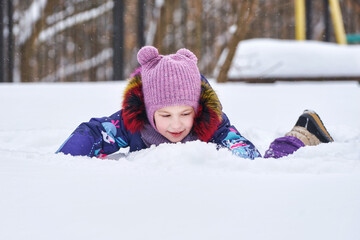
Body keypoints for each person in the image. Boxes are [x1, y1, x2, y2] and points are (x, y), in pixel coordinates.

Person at [56, 46, 333, 159]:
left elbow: (249, 160)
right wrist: (64, 163)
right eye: (164, 115)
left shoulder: (210, 124)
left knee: (271, 164)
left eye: (185, 113)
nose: (176, 124)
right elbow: (92, 131)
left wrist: (242, 158)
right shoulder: (132, 122)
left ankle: (302, 134)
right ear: (149, 110)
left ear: (197, 109)